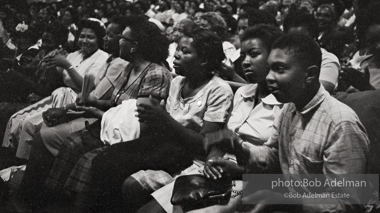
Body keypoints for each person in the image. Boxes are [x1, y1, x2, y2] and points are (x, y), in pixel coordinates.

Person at [142, 24, 284, 213]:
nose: (245, 62)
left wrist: (240, 172)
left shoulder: (287, 106)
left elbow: (283, 174)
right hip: (221, 169)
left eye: (254, 54)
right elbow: (222, 136)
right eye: (244, 55)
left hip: (253, 181)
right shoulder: (243, 92)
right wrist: (213, 160)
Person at [90, 28, 233, 212]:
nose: (177, 55)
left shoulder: (218, 89)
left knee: (114, 167)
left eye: (186, 51)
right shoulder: (177, 82)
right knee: (103, 160)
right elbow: (161, 128)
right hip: (166, 145)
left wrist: (163, 119)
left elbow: (205, 144)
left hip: (187, 155)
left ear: (204, 60)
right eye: (178, 49)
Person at [36, 17, 172, 211]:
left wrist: (97, 113)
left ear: (135, 46)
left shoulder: (155, 73)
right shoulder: (129, 67)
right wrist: (92, 102)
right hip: (111, 126)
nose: (118, 41)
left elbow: (139, 123)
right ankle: (56, 203)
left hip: (131, 138)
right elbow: (115, 103)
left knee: (87, 162)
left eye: (123, 38)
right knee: (72, 144)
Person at [236, 33, 369, 212]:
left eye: (279, 69)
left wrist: (283, 200)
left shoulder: (341, 124)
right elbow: (272, 154)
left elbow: (346, 203)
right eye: (269, 69)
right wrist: (237, 148)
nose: (269, 77)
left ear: (310, 74)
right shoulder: (289, 108)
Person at [2, 19, 109, 160]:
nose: (85, 40)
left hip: (78, 100)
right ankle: (16, 160)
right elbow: (58, 75)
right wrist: (48, 63)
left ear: (98, 40)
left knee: (37, 126)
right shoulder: (75, 54)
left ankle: (29, 163)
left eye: (90, 37)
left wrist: (66, 65)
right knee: (25, 122)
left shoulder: (102, 57)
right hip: (59, 94)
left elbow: (87, 87)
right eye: (82, 36)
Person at [283, 11, 340, 94]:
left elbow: (318, 94)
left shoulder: (327, 60)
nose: (297, 45)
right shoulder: (282, 58)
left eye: (303, 40)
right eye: (291, 40)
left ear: (314, 38)